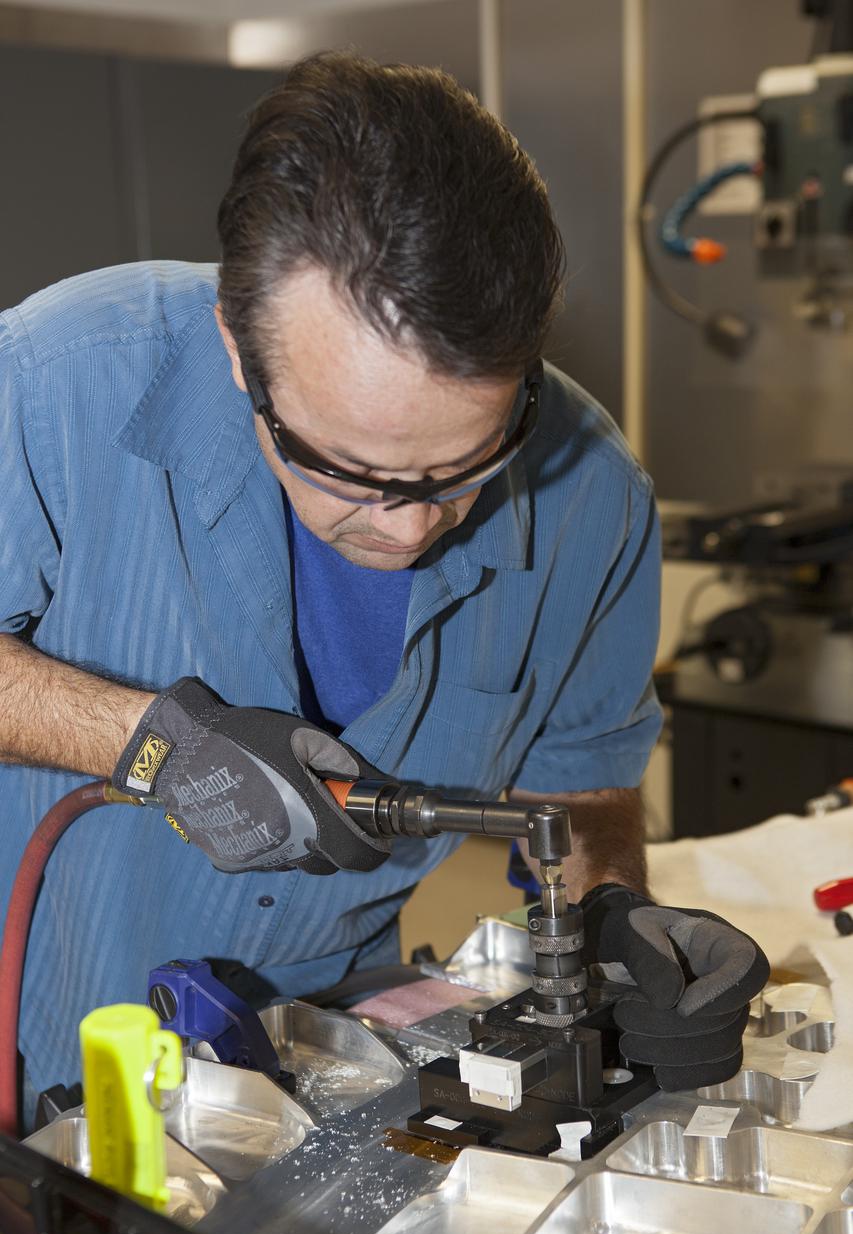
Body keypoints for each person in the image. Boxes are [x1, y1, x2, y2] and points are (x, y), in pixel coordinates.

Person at [0, 52, 766, 1124]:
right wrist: (153, 742)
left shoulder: (592, 499)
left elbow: (580, 787)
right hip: (25, 1036)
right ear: (237, 350)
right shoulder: (55, 380)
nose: (408, 525)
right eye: (348, 469)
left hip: (312, 1070)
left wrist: (613, 920)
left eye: (464, 465)